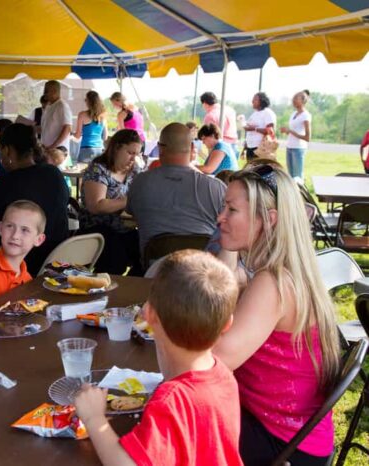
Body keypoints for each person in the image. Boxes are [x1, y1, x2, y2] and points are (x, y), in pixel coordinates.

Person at [213, 164, 341, 466]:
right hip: (296, 434)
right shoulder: (283, 274)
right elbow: (223, 287)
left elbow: (216, 361)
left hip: (285, 445)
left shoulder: (273, 284)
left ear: (269, 220)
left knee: (174, 421)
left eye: (231, 210)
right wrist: (229, 242)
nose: (220, 217)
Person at [74, 250, 243, 466]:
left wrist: (93, 418)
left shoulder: (170, 401)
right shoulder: (224, 376)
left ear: (148, 313)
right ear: (228, 324)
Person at [0, 123, 70, 275]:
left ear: (7, 150)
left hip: (15, 266)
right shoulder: (54, 174)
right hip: (55, 262)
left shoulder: (2, 184)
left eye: (0, 151)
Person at [126, 122, 226, 256]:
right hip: (203, 267)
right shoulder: (216, 187)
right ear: (191, 147)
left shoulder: (140, 182)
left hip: (154, 266)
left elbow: (132, 213)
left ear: (160, 148)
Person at [80, 129, 142, 275]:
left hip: (125, 227)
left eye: (137, 154)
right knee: (115, 261)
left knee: (148, 254)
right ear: (116, 148)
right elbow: (96, 205)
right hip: (97, 229)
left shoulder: (134, 171)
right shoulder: (98, 169)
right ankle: (104, 291)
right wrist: (129, 200)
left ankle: (131, 291)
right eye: (130, 153)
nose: (134, 158)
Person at [280, 90, 312, 179]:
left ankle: (300, 193)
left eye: (295, 98)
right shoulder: (293, 114)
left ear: (303, 101)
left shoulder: (306, 115)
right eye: (293, 98)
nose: (293, 100)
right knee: (290, 177)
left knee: (297, 177)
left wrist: (291, 132)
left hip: (298, 149)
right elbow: (292, 131)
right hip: (289, 147)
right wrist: (286, 131)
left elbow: (307, 137)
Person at [40, 80, 72, 156]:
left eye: (46, 91)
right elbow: (46, 127)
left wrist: (53, 146)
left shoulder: (62, 106)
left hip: (57, 151)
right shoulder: (48, 106)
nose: (44, 94)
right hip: (48, 149)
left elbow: (67, 128)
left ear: (54, 91)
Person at [74, 90, 107, 163]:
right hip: (99, 149)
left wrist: (71, 134)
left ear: (88, 101)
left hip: (86, 149)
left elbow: (78, 135)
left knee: (82, 173)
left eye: (86, 100)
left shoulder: (82, 115)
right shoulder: (103, 116)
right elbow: (105, 137)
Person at [243, 91, 276, 160]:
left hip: (261, 148)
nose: (252, 101)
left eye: (255, 99)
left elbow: (270, 131)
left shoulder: (267, 113)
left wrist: (254, 129)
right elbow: (249, 130)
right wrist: (245, 146)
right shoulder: (254, 113)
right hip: (250, 147)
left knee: (259, 170)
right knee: (250, 170)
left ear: (261, 101)